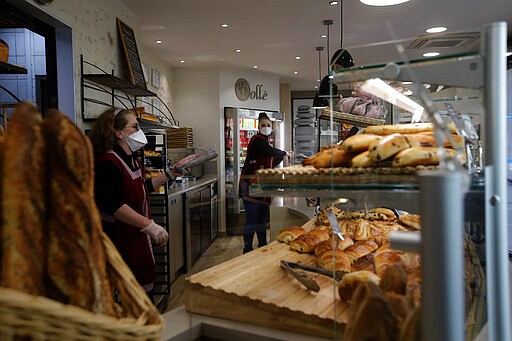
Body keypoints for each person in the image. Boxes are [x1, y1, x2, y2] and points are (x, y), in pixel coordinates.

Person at [88, 107, 181, 300]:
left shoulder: (131, 159)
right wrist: (148, 225)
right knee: (128, 301)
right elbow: (112, 204)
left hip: (136, 241)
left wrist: (168, 175)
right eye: (135, 127)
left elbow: (140, 188)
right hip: (118, 242)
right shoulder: (107, 163)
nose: (140, 132)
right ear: (118, 132)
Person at [239, 112, 294, 254]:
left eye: (268, 125)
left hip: (261, 186)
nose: (266, 127)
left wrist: (282, 157)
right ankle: (247, 248)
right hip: (251, 184)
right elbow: (269, 151)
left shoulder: (266, 142)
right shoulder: (257, 140)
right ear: (258, 126)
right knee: (252, 217)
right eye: (263, 125)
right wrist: (284, 153)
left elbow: (271, 160)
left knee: (262, 218)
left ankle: (262, 244)